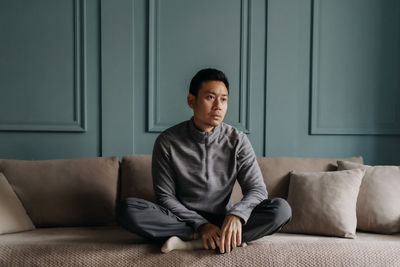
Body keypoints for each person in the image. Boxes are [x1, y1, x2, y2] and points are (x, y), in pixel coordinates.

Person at [116, 68, 291, 254]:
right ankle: (214, 238)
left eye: (223, 99)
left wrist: (236, 215)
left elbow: (257, 189)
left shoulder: (237, 140)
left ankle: (194, 242)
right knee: (128, 209)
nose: (218, 106)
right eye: (210, 97)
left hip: (225, 219)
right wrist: (201, 224)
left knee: (281, 210)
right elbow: (165, 197)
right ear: (191, 101)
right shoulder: (167, 142)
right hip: (183, 220)